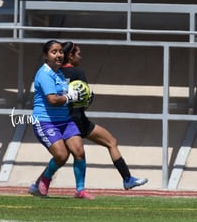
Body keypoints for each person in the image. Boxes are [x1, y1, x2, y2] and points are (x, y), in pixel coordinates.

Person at [60, 41, 148, 190]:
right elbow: (85, 99)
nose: (80, 57)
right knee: (110, 142)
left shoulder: (55, 73)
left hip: (63, 119)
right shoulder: (78, 73)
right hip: (78, 119)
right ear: (70, 55)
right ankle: (126, 179)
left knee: (62, 156)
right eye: (78, 54)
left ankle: (40, 183)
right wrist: (89, 98)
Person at [28, 40, 94, 199]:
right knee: (61, 156)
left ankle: (80, 190)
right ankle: (44, 180)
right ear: (46, 55)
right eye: (54, 52)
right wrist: (70, 97)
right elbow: (52, 100)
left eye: (60, 52)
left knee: (79, 151)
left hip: (65, 120)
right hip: (45, 121)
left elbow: (68, 96)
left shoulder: (59, 73)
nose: (59, 55)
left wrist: (82, 97)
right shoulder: (44, 74)